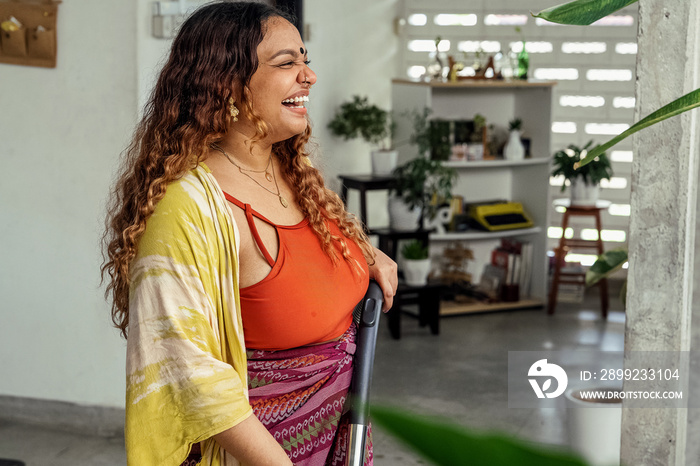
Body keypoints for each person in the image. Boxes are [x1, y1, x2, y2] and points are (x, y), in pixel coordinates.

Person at [101, 2, 397, 465]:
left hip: (338, 439)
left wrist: (363, 254)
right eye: (287, 63)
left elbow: (303, 269)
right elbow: (187, 369)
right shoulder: (188, 208)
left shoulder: (289, 171)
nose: (309, 76)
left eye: (305, 58)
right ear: (227, 85)